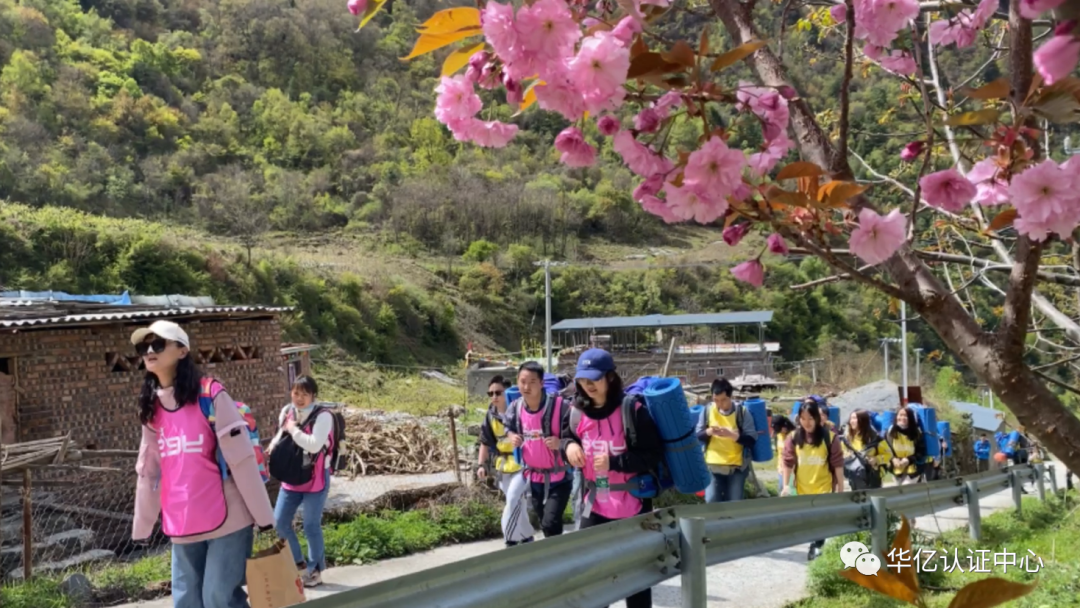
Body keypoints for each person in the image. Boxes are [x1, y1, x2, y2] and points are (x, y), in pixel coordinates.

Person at [131, 320, 274, 608]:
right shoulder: (151, 407)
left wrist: (265, 517)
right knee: (186, 601)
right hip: (181, 521)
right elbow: (149, 471)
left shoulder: (211, 394)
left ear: (182, 351)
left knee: (218, 599)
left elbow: (242, 460)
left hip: (228, 518)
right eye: (143, 347)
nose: (149, 351)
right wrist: (142, 526)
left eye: (158, 343)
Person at [563, 349, 664, 608]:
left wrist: (615, 462)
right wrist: (569, 447)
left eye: (594, 379)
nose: (588, 385)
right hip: (595, 503)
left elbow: (653, 454)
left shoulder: (633, 410)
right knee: (592, 574)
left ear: (609, 377)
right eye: (582, 379)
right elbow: (567, 437)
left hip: (633, 504)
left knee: (637, 575)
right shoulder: (576, 412)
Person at [270, 376, 335, 587]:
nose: (299, 398)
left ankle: (315, 570)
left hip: (315, 477)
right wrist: (272, 447)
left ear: (313, 396)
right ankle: (298, 564)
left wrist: (293, 429)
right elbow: (281, 435)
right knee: (280, 522)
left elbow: (314, 445)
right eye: (296, 393)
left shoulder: (323, 416)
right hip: (292, 476)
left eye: (305, 394)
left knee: (310, 525)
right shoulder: (287, 411)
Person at [505, 361, 573, 538]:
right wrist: (512, 436)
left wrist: (561, 443)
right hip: (534, 477)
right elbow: (508, 427)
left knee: (550, 522)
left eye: (532, 382)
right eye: (522, 381)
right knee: (546, 524)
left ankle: (557, 552)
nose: (526, 387)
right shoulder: (516, 407)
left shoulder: (561, 406)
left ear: (542, 383)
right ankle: (559, 552)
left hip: (560, 477)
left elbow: (575, 435)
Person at [780, 400, 843, 561]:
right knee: (809, 520)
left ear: (817, 418)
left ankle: (816, 547)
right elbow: (788, 462)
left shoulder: (830, 438)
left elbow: (837, 464)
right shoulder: (794, 437)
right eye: (803, 418)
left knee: (820, 518)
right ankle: (815, 545)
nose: (806, 422)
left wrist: (840, 488)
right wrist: (786, 485)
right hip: (803, 487)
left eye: (810, 418)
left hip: (824, 487)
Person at [477, 376, 535, 546]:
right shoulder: (490, 416)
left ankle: (509, 539)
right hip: (503, 468)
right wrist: (481, 465)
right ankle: (527, 536)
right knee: (517, 502)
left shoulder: (521, 411)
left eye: (498, 392)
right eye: (490, 393)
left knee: (513, 498)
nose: (494, 396)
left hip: (522, 464)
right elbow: (485, 442)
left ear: (507, 392)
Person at [695, 378, 757, 503]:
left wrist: (732, 435)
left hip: (736, 468)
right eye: (716, 400)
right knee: (711, 501)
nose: (719, 404)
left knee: (734, 503)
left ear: (731, 396)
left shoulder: (742, 413)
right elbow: (697, 436)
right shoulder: (707, 411)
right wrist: (709, 432)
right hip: (712, 466)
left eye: (723, 400)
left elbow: (751, 439)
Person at [840, 410, 883, 490]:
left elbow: (889, 454)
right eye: (851, 418)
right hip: (854, 477)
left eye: (854, 418)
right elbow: (841, 454)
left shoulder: (875, 438)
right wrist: (847, 456)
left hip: (872, 477)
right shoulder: (846, 439)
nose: (851, 421)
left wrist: (877, 459)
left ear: (863, 420)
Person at [883, 407, 925, 485]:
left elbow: (921, 452)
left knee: (906, 487)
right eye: (900, 415)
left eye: (905, 416)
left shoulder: (916, 433)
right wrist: (893, 459)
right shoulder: (890, 432)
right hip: (896, 469)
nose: (902, 418)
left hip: (913, 470)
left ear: (911, 418)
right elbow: (885, 450)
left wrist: (909, 460)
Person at [771, 415, 797, 492]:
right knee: (782, 490)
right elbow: (779, 452)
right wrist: (780, 466)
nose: (779, 432)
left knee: (791, 491)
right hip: (781, 468)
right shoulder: (779, 435)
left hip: (792, 469)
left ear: (784, 426)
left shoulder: (794, 435)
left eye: (780, 430)